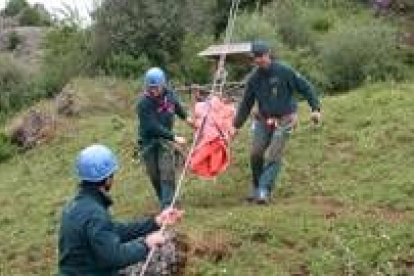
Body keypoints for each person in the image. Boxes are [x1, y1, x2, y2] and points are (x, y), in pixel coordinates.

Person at [58, 144, 184, 275]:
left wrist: (156, 222)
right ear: (107, 179)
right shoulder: (95, 214)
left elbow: (113, 231)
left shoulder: (75, 205)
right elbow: (115, 257)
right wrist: (146, 244)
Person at [233, 40, 321, 204]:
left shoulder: (284, 71)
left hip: (285, 118)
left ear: (268, 54)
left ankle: (264, 190)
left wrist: (315, 109)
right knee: (255, 153)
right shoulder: (253, 79)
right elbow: (246, 103)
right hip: (263, 119)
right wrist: (236, 126)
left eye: (261, 56)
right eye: (255, 57)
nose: (258, 60)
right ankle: (256, 185)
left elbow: (306, 87)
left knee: (274, 154)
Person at [136, 67, 194, 209]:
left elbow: (178, 109)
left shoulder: (170, 96)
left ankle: (167, 206)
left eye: (156, 87)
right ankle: (167, 199)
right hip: (148, 143)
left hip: (165, 142)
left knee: (166, 171)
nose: (153, 90)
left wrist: (189, 119)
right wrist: (174, 137)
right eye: (151, 87)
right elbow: (152, 126)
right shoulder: (143, 103)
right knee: (154, 175)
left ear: (163, 84)